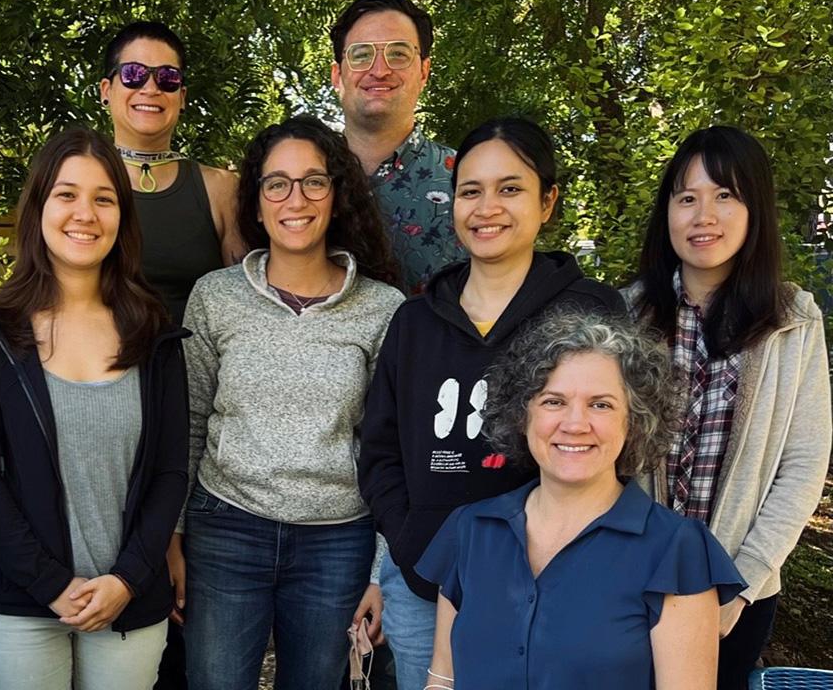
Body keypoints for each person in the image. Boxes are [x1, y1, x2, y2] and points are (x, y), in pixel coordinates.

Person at [357, 117, 626, 689]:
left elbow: (619, 446)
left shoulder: (590, 313)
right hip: (426, 585)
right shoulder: (414, 322)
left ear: (547, 201)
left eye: (510, 189)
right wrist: (411, 544)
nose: (488, 208)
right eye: (471, 191)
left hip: (554, 586)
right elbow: (379, 449)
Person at [0, 127, 188, 690]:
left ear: (121, 217)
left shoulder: (155, 335)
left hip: (127, 603)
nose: (85, 213)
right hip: (24, 605)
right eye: (66, 194)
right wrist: (51, 584)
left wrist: (128, 579)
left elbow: (171, 471)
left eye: (103, 198)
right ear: (38, 208)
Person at [174, 115, 403, 690]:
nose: (294, 198)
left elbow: (389, 448)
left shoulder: (384, 309)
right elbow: (190, 420)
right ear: (255, 202)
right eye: (276, 183)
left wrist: (381, 571)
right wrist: (171, 538)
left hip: (338, 541)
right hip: (226, 529)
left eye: (313, 182)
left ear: (336, 195)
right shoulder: (215, 296)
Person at [416, 310, 746, 689]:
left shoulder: (676, 550)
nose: (575, 424)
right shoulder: (470, 529)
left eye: (601, 404)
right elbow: (442, 679)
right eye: (553, 401)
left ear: (634, 421)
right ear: (523, 415)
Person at [625, 126, 832, 689]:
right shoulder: (630, 313)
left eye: (725, 196)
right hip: (629, 577)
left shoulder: (794, 319)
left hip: (741, 586)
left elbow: (804, 462)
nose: (703, 216)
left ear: (754, 209)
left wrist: (740, 585)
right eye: (687, 198)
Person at [100, 21, 246, 324]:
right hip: (96, 368)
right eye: (133, 75)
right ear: (106, 90)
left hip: (194, 368)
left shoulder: (221, 188)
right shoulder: (74, 183)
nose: (151, 88)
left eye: (167, 78)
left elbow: (246, 304)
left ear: (181, 97)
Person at [331, 0, 464, 294]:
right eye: (362, 54)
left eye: (398, 54)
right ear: (337, 75)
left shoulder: (469, 181)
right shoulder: (296, 184)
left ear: (424, 72)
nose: (380, 70)